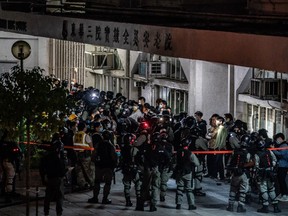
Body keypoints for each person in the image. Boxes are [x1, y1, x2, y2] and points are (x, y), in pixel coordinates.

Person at [39, 134, 66, 216]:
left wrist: (43, 178)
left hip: (49, 178)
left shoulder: (45, 157)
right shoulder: (58, 158)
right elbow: (61, 170)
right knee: (59, 197)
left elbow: (41, 169)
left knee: (48, 197)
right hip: (57, 178)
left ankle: (46, 212)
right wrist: (66, 171)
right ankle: (59, 213)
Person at [89, 130, 118, 204]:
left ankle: (95, 197)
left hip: (99, 165)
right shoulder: (110, 145)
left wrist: (94, 161)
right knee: (107, 183)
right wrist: (115, 164)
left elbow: (94, 155)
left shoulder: (98, 144)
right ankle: (105, 199)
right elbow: (114, 156)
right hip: (108, 166)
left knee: (97, 182)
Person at [226, 134, 252, 213]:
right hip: (243, 173)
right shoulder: (247, 153)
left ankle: (230, 205)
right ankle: (240, 207)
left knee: (233, 189)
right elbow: (249, 163)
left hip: (234, 173)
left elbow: (230, 161)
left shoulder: (235, 151)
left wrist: (228, 171)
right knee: (242, 191)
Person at [254, 139, 281, 213]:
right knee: (272, 189)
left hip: (262, 173)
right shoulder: (269, 151)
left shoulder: (257, 154)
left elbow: (256, 165)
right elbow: (274, 160)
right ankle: (275, 207)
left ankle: (265, 207)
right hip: (271, 172)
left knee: (263, 190)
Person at [173, 137, 198, 210]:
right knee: (189, 189)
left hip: (179, 172)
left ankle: (178, 204)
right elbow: (196, 163)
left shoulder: (178, 152)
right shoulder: (190, 153)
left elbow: (174, 162)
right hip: (187, 173)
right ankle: (191, 205)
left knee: (179, 188)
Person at [272, 133, 288, 202]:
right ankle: (282, 194)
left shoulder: (284, 145)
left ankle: (285, 194)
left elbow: (281, 155)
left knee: (282, 180)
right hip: (281, 165)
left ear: (280, 138)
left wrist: (273, 149)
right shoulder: (281, 145)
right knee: (280, 180)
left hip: (283, 165)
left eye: (276, 139)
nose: (276, 141)